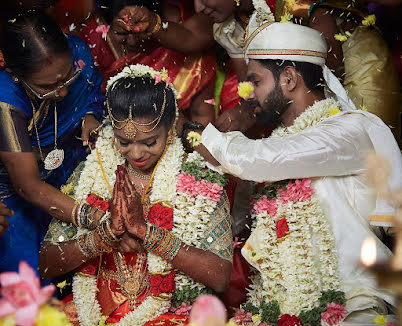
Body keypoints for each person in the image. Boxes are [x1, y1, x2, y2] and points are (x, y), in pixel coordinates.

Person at [186, 18, 402, 322]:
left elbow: (260, 160)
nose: (249, 96)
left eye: (256, 82)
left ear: (288, 79)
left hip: (355, 304)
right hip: (285, 308)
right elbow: (238, 218)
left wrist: (191, 131)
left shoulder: (351, 129)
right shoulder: (279, 146)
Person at [38, 64, 233, 325]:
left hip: (168, 313)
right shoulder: (93, 171)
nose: (137, 153)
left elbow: (220, 277)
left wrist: (145, 232)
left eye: (150, 142)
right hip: (91, 307)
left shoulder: (197, 180)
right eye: (124, 141)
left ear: (171, 128)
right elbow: (47, 263)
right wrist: (103, 236)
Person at [195, 0, 401, 139]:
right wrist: (246, 110)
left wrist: (304, 129)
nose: (198, 8)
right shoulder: (227, 29)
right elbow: (252, 83)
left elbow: (329, 70)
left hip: (354, 63)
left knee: (368, 145)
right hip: (297, 89)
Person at [0, 10, 105, 273]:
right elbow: (28, 186)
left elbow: (89, 93)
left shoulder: (78, 51)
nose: (64, 91)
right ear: (15, 73)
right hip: (15, 191)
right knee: (33, 273)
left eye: (69, 76)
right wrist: (95, 218)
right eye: (48, 87)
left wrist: (89, 116)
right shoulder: (5, 100)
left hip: (68, 164)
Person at [79, 0, 218, 126]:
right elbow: (88, 98)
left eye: (141, 32)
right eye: (122, 34)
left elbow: (202, 118)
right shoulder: (94, 38)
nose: (132, 41)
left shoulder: (179, 22)